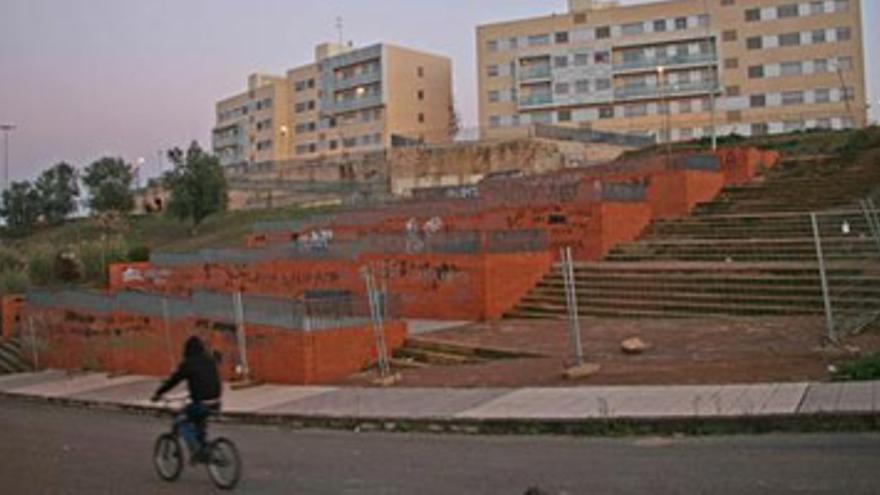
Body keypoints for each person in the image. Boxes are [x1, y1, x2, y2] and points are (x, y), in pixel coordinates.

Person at [151, 336, 222, 463]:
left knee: (182, 422)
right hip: (216, 402)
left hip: (201, 403)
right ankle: (204, 447)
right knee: (198, 422)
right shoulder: (209, 360)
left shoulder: (188, 364)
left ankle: (196, 450)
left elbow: (174, 381)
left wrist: (158, 393)